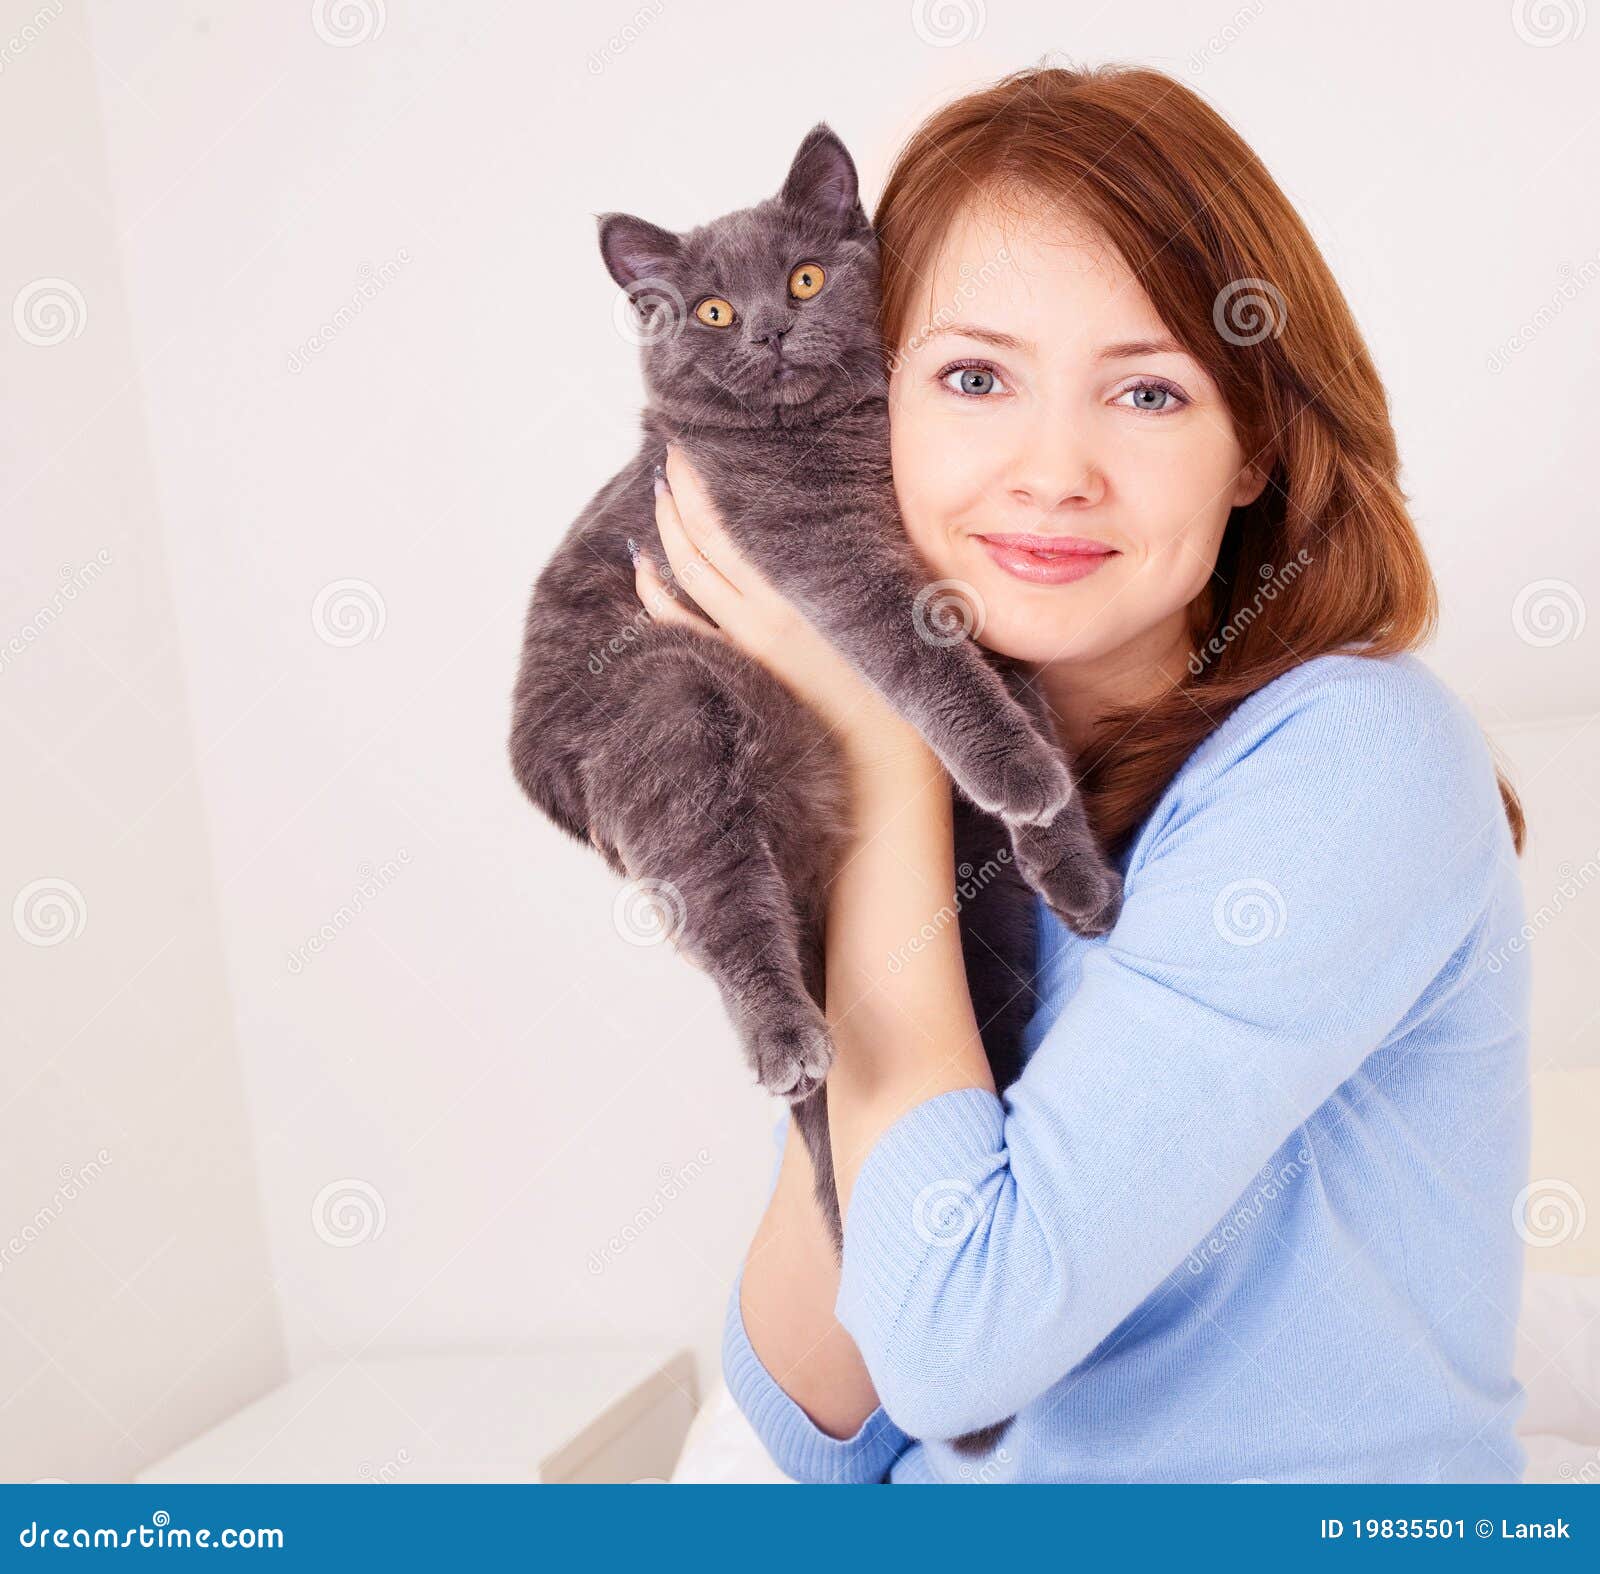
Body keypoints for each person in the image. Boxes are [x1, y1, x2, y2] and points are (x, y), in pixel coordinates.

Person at [634, 63, 1531, 1483]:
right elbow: (815, 1411)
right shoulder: (957, 794)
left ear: (1253, 449)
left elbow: (950, 1350)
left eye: (1151, 391)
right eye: (975, 377)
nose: (1054, 472)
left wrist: (876, 765)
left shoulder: (1358, 761)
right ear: (876, 417)